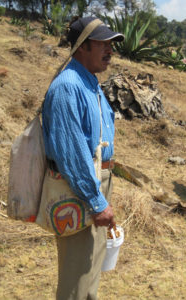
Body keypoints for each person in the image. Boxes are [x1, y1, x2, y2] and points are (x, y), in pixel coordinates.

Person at [42, 16, 124, 300]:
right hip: (79, 191)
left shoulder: (90, 83)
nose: (110, 50)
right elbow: (73, 154)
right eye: (103, 43)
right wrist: (97, 202)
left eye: (111, 44)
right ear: (82, 47)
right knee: (76, 278)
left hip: (93, 185)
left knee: (90, 270)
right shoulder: (68, 86)